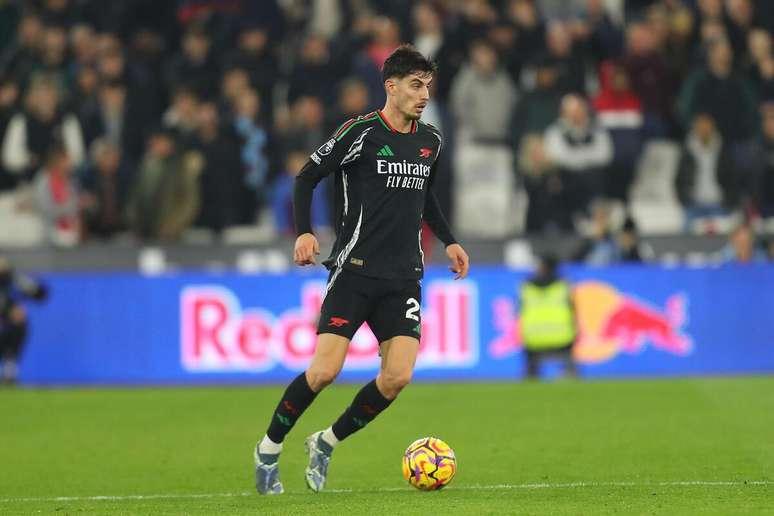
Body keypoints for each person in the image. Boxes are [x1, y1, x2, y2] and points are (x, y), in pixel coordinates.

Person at [254, 45, 469, 495]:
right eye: (415, 85)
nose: (423, 94)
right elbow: (306, 176)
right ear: (391, 87)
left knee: (397, 377)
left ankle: (326, 441)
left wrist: (448, 240)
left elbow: (425, 196)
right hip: (354, 270)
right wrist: (305, 231)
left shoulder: (430, 140)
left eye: (427, 86)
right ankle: (269, 449)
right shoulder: (360, 132)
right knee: (323, 372)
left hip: (404, 275)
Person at [518, 254, 577, 379]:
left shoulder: (526, 287)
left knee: (530, 374)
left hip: (533, 338)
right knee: (571, 369)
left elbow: (518, 311)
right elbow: (574, 312)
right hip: (562, 338)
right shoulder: (564, 286)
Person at [0, 256, 47, 385]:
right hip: (4, 321)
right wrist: (8, 310)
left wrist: (35, 286)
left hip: (12, 325)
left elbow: (40, 294)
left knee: (14, 342)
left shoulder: (14, 279)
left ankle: (9, 376)